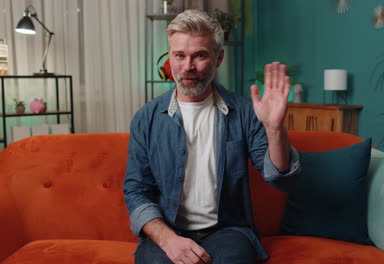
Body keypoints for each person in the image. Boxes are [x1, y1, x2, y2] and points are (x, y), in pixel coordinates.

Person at [123, 9, 300, 264]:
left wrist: (274, 128)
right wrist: (168, 240)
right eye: (179, 55)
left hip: (228, 231)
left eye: (200, 56)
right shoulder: (146, 118)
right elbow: (136, 190)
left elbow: (281, 179)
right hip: (168, 231)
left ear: (219, 58)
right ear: (169, 57)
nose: (187, 67)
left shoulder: (244, 113)